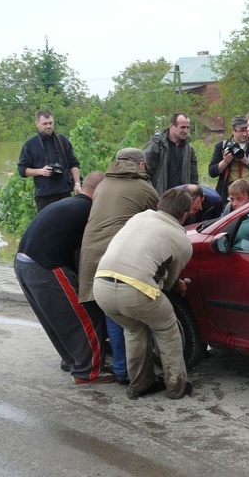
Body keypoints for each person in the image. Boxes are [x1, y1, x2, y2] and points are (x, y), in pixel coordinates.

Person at [92, 188, 194, 400]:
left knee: (134, 329)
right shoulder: (181, 239)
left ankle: (140, 384)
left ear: (160, 206)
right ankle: (177, 387)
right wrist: (179, 286)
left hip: (101, 285)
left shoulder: (139, 217)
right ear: (185, 215)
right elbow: (169, 283)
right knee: (166, 327)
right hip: (136, 289)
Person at [13, 171, 113, 384]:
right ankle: (88, 372)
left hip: (23, 262)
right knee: (87, 315)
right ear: (100, 190)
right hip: (46, 266)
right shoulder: (89, 210)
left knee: (57, 320)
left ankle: (71, 360)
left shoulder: (70, 203)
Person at [78, 148, 159, 385]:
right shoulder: (144, 188)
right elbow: (160, 221)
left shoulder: (103, 184)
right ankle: (130, 371)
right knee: (127, 316)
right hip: (116, 256)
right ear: (141, 166)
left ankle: (120, 368)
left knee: (110, 312)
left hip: (91, 256)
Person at [18, 109, 82, 212]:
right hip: (44, 196)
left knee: (68, 226)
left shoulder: (62, 140)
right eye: (45, 124)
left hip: (64, 193)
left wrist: (77, 184)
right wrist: (40, 171)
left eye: (50, 123)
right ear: (37, 124)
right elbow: (22, 170)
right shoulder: (30, 145)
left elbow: (74, 163)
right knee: (47, 227)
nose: (48, 126)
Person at [208, 115, 249, 203]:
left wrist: (246, 160)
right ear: (233, 130)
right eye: (241, 131)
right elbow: (212, 172)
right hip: (230, 197)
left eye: (246, 130)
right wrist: (225, 162)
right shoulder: (222, 146)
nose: (245, 134)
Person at [144, 112, 199, 195]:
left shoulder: (188, 149)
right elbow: (144, 172)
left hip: (182, 198)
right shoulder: (156, 145)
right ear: (171, 126)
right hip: (160, 198)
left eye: (188, 127)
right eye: (182, 127)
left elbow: (193, 177)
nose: (186, 131)